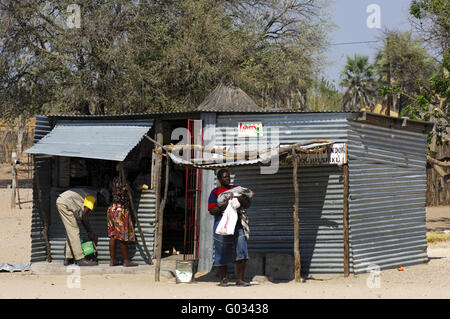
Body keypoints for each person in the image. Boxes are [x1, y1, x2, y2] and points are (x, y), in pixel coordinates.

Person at [208, 169, 252, 287]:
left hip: (237, 223)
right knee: (222, 250)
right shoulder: (215, 192)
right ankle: (223, 279)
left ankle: (240, 279)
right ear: (219, 179)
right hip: (222, 223)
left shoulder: (237, 189)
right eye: (224, 177)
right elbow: (212, 210)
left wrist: (241, 199)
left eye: (228, 176)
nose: (227, 179)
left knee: (241, 249)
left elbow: (248, 203)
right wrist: (225, 205)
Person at [56, 187, 109, 266]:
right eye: (103, 201)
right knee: (74, 231)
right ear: (101, 196)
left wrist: (88, 231)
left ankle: (68, 258)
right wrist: (90, 231)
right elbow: (84, 215)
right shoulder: (92, 197)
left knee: (71, 231)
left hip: (63, 202)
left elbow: (82, 217)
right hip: (65, 203)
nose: (102, 204)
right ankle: (80, 259)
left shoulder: (91, 194)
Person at [107, 175, 138, 267]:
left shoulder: (113, 185)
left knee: (113, 235)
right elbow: (130, 196)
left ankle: (113, 260)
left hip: (112, 209)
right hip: (120, 211)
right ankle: (126, 260)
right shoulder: (125, 187)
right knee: (122, 235)